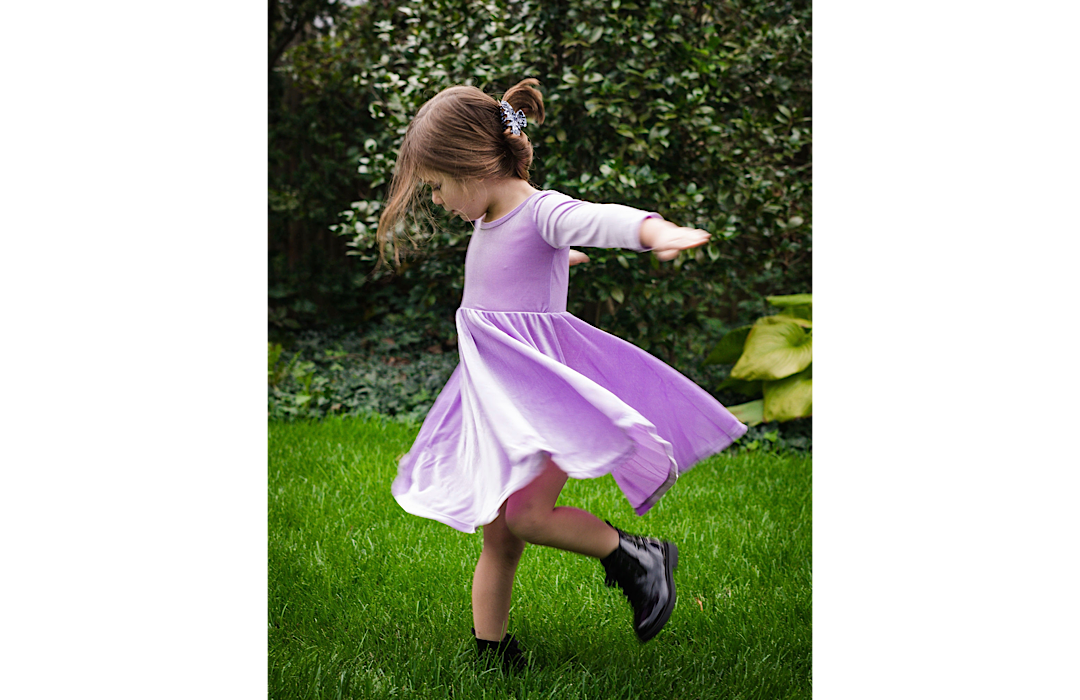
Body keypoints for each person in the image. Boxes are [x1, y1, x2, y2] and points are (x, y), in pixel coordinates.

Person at [377, 78, 748, 670]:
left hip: (546, 397)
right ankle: (491, 651)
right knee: (499, 532)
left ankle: (637, 558)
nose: (440, 201)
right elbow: (519, 267)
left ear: (472, 167)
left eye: (439, 187)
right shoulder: (492, 218)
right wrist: (553, 258)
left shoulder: (541, 211)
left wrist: (658, 233)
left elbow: (600, 220)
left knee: (527, 516)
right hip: (500, 400)